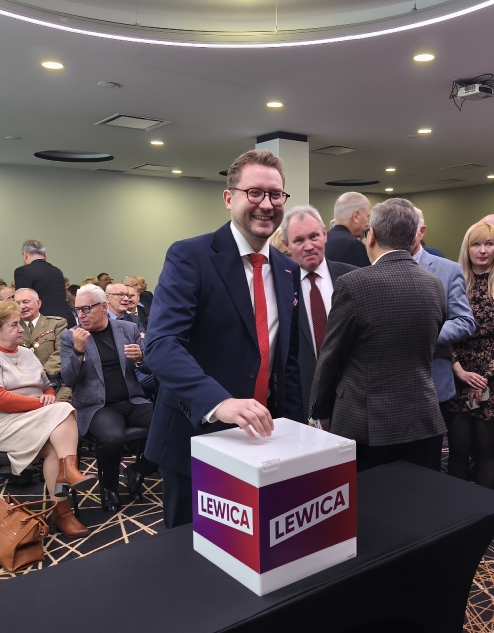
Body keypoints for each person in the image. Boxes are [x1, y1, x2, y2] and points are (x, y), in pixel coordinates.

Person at [144, 149, 303, 528]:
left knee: (253, 542)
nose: (267, 204)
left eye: (276, 194)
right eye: (255, 193)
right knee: (192, 549)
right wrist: (219, 402)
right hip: (196, 435)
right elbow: (162, 345)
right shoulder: (190, 256)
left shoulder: (287, 269)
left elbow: (288, 361)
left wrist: (297, 431)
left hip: (263, 436)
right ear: (229, 198)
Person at [310, 198, 446, 472]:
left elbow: (331, 356)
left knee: (369, 497)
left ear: (371, 235)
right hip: (423, 419)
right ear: (413, 236)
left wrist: (317, 413)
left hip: (367, 424)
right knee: (418, 494)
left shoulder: (353, 284)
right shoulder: (434, 284)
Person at [0, 301, 94, 537]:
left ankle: (62, 509)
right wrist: (42, 404)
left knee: (55, 448)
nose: (21, 329)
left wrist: (48, 397)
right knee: (63, 409)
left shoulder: (26, 353)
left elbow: (46, 386)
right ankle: (69, 476)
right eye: (14, 325)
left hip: (34, 419)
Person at [60, 284, 155, 512]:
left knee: (170, 424)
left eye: (86, 309)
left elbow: (150, 367)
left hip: (132, 401)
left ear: (103, 307)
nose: (81, 315)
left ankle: (139, 470)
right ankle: (109, 488)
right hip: (97, 407)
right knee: (112, 439)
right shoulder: (70, 336)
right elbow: (68, 379)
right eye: (77, 310)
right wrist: (78, 351)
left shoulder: (128, 328)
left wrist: (141, 358)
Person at [443, 221, 494, 489]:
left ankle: (483, 507)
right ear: (467, 249)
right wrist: (457, 368)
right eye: (476, 244)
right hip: (457, 374)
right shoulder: (453, 284)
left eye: (489, 244)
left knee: (488, 451)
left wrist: (484, 376)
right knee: (458, 449)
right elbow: (441, 329)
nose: (483, 250)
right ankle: (458, 507)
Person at [281, 205, 356, 419]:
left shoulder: (353, 278)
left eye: (314, 236)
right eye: (299, 240)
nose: (309, 246)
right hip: (302, 401)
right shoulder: (279, 286)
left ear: (325, 235)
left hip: (351, 399)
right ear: (286, 245)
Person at [413, 208, 477, 436]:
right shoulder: (374, 268)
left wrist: (425, 337)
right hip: (389, 385)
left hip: (433, 378)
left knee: (429, 452)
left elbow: (464, 320)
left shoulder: (447, 270)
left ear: (421, 231)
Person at [15, 288, 71, 403]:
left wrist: (41, 372)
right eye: (17, 304)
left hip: (55, 382)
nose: (22, 307)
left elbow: (62, 351)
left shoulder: (56, 324)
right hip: (23, 385)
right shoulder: (12, 328)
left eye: (26, 302)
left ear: (38, 303)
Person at [13, 240, 76, 327]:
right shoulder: (57, 271)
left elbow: (22, 301)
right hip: (67, 320)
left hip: (45, 325)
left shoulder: (23, 271)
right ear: (45, 256)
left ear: (25, 254)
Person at [325, 192, 372, 268]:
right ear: (356, 216)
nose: (367, 224)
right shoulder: (354, 245)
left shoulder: (323, 240)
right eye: (367, 216)